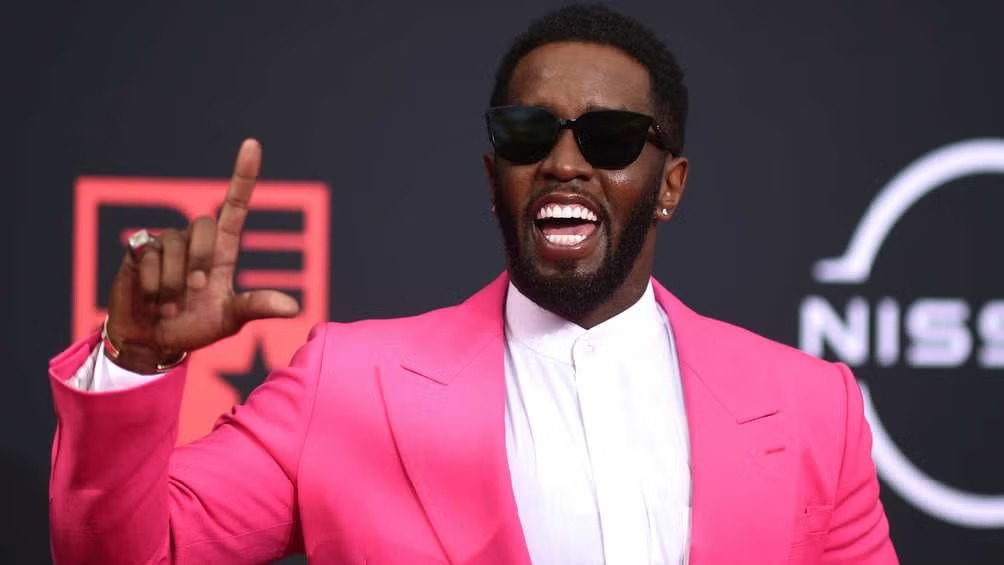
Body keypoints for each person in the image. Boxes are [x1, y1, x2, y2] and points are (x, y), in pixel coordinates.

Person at [47, 4, 898, 564]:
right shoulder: (347, 383)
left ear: (670, 185)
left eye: (609, 137)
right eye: (529, 133)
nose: (564, 163)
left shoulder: (810, 406)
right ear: (495, 176)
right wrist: (135, 359)